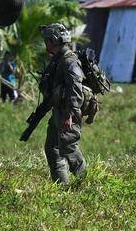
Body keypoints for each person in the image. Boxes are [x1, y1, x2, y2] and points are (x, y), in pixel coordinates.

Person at [36, 22, 87, 184]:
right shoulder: (57, 60)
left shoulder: (69, 61)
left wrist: (69, 115)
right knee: (52, 148)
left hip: (68, 112)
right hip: (59, 111)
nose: (46, 45)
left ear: (53, 41)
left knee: (68, 147)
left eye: (47, 41)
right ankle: (62, 187)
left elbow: (76, 90)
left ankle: (86, 183)